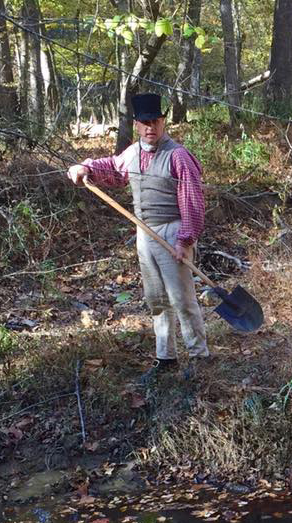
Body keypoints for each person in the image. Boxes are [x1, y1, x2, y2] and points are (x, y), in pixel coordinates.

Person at [67, 93, 209, 378]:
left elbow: (192, 201)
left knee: (181, 299)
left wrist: (185, 241)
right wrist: (85, 167)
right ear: (136, 124)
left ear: (163, 122)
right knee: (156, 299)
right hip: (144, 234)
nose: (150, 128)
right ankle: (165, 357)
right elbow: (113, 168)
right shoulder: (133, 152)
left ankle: (199, 357)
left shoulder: (178, 156)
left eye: (155, 122)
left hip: (172, 231)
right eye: (144, 123)